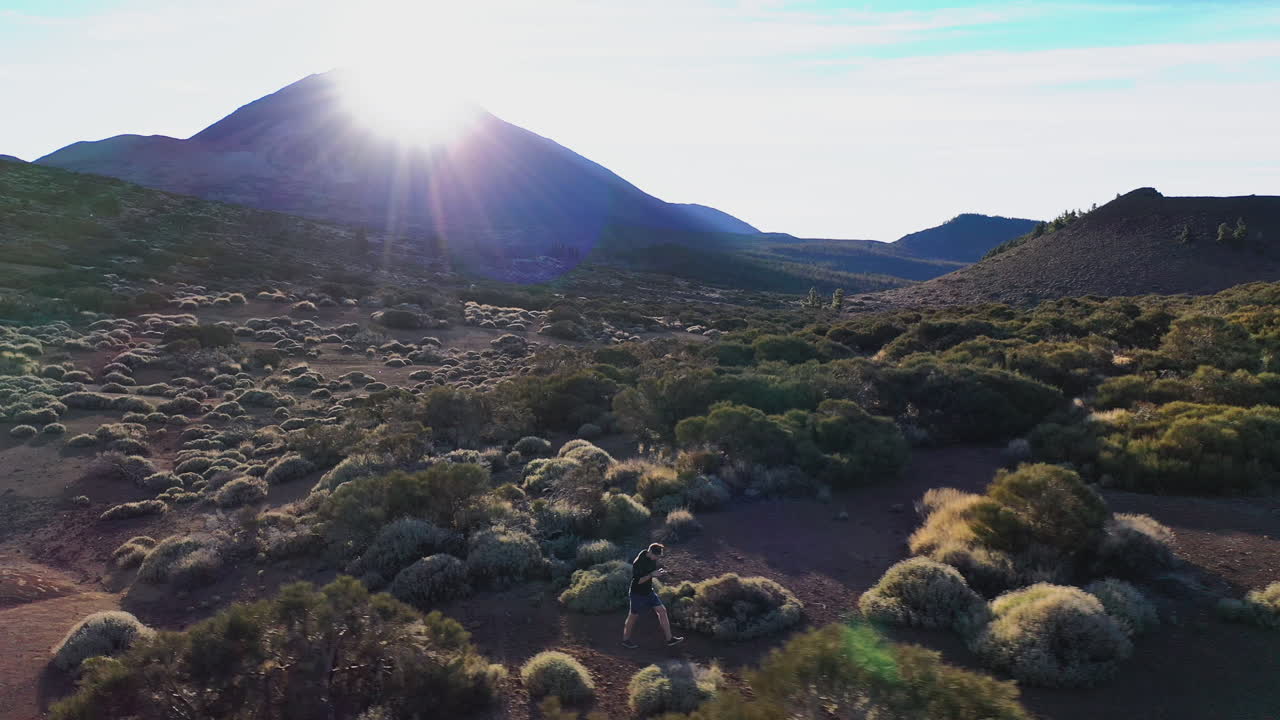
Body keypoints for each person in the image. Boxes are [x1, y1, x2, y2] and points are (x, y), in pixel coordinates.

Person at [622, 542, 684, 648]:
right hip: (637, 593)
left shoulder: (651, 558)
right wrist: (652, 574)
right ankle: (626, 640)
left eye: (658, 556)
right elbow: (638, 581)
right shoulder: (638, 562)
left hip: (649, 591)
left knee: (662, 611)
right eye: (656, 556)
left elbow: (652, 571)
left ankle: (670, 639)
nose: (657, 558)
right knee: (633, 616)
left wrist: (660, 572)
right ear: (650, 552)